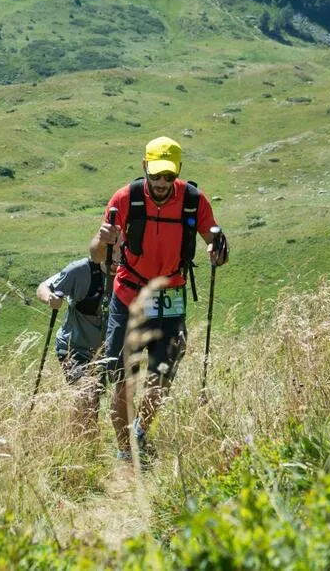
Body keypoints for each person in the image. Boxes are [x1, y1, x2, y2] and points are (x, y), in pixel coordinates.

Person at [89, 136, 228, 463]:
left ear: (178, 170)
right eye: (156, 175)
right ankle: (125, 453)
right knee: (122, 380)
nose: (162, 182)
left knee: (163, 375)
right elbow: (96, 253)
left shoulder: (193, 200)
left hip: (170, 297)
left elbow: (217, 244)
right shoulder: (126, 198)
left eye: (169, 175)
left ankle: (139, 431)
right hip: (128, 295)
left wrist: (217, 250)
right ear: (144, 167)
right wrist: (102, 239)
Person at [35, 257, 106, 438]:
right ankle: (80, 442)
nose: (116, 253)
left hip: (105, 352)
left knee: (95, 398)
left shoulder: (128, 269)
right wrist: (50, 298)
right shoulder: (81, 270)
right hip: (74, 347)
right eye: (112, 248)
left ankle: (84, 442)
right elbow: (44, 287)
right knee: (88, 394)